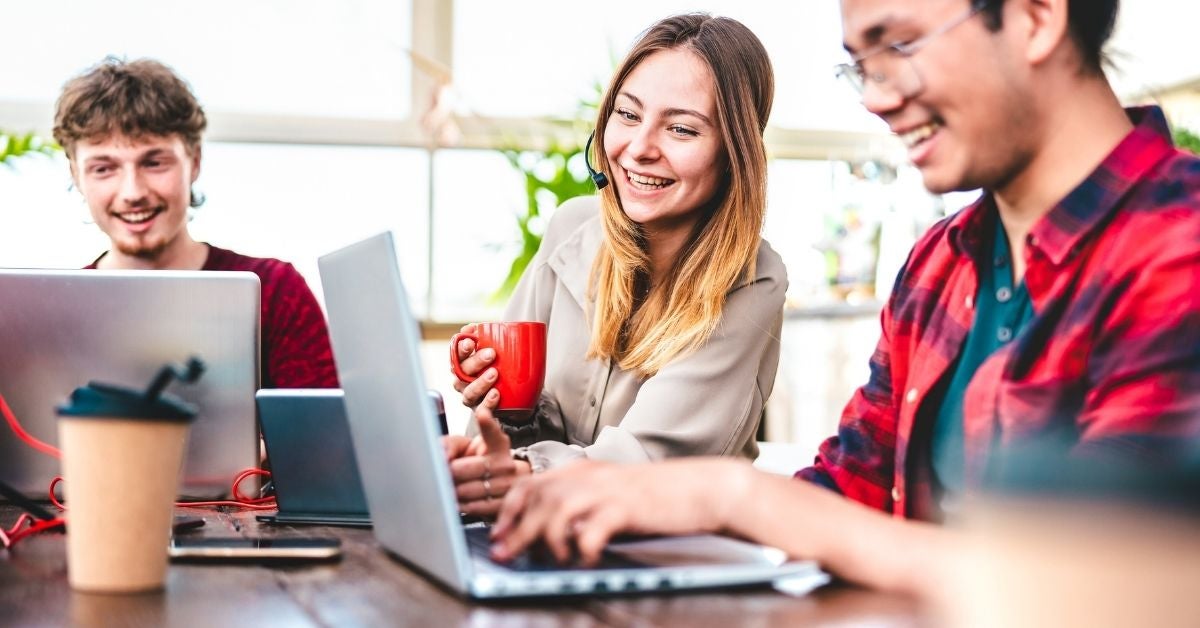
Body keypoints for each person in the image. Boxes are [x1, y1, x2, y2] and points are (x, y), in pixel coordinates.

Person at [487, 0, 1200, 596]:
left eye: (901, 45)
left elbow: (1102, 584)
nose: (878, 98)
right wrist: (638, 496)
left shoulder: (1179, 245)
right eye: (861, 63)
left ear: (1037, 17)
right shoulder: (939, 266)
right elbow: (847, 490)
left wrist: (725, 494)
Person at [445, 14, 787, 516]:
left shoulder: (752, 279)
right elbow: (496, 441)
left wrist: (519, 473)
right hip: (540, 535)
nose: (640, 149)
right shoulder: (571, 231)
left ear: (734, 153)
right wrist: (504, 408)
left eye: (681, 129)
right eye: (627, 116)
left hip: (669, 559)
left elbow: (646, 464)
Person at [53, 57, 339, 389]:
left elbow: (324, 438)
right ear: (76, 175)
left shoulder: (273, 292)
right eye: (104, 168)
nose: (132, 192)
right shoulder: (57, 313)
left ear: (195, 161)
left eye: (154, 163)